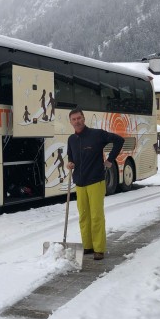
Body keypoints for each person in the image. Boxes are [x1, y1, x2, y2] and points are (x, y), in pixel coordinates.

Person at [66, 108, 124, 260]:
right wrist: (70, 164)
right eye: (74, 119)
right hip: (79, 183)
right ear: (71, 122)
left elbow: (119, 140)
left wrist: (110, 160)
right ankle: (88, 246)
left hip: (96, 181)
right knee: (84, 216)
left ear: (83, 119)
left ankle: (99, 248)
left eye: (79, 118)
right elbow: (71, 157)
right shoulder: (71, 139)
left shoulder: (97, 134)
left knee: (96, 216)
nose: (77, 121)